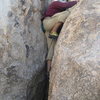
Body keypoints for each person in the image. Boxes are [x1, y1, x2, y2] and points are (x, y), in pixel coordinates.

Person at [42, 0, 79, 73]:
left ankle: (48, 72)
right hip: (48, 23)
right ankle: (54, 30)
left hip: (48, 28)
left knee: (51, 48)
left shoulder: (58, 7)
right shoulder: (55, 3)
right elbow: (65, 5)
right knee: (68, 12)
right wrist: (77, 2)